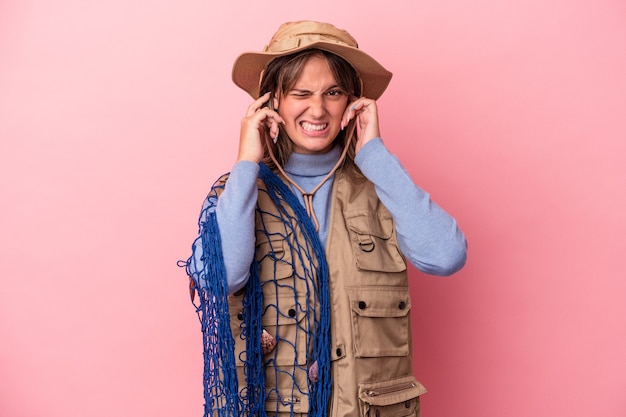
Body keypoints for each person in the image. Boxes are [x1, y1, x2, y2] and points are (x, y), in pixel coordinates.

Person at [184, 20, 467, 417]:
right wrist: (248, 161)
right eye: (301, 93)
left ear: (351, 103)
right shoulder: (236, 192)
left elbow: (446, 255)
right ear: (271, 101)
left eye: (332, 93)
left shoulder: (380, 190)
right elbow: (225, 276)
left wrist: (374, 154)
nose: (317, 110)